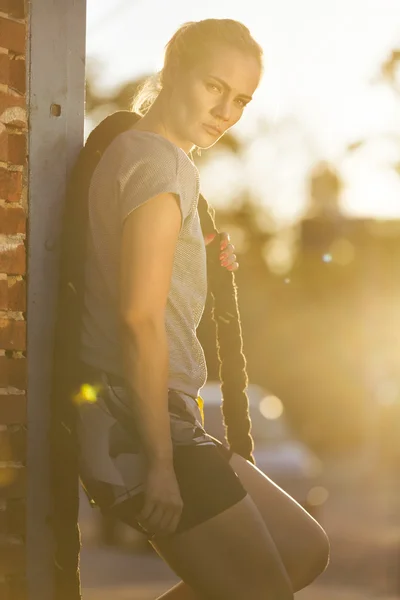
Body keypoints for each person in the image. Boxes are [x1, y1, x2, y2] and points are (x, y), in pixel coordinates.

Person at [71, 18, 329, 600]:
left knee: (304, 551)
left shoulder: (133, 148)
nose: (227, 111)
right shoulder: (162, 164)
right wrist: (160, 464)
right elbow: (139, 319)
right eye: (215, 87)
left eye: (241, 99)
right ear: (172, 72)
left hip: (156, 419)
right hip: (139, 425)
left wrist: (197, 251)